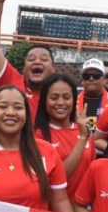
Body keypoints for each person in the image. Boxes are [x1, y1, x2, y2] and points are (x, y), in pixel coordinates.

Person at [0, 0, 56, 115]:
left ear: (53, 69)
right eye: (31, 59)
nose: (37, 61)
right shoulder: (13, 82)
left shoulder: (60, 96)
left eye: (44, 59)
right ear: (24, 68)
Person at [33, 73, 94, 201]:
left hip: (85, 210)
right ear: (44, 100)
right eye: (54, 98)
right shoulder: (38, 136)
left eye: (66, 97)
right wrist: (82, 138)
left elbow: (92, 173)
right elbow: (56, 179)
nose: (61, 103)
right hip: (58, 211)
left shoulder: (83, 128)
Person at [77, 58, 108, 130]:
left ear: (104, 79)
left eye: (96, 76)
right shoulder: (73, 102)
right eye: (86, 76)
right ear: (82, 80)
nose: (91, 79)